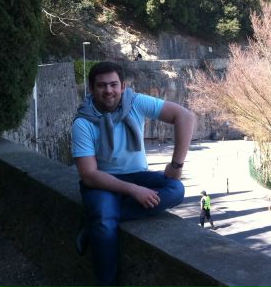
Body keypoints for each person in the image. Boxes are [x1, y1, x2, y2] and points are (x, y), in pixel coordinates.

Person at [72, 61, 195, 287]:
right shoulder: (83, 122)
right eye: (101, 85)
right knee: (105, 227)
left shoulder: (136, 102)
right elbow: (89, 175)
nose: (108, 90)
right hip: (101, 181)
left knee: (176, 189)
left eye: (113, 84)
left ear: (123, 86)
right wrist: (133, 190)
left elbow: (185, 117)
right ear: (91, 89)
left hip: (138, 174)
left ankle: (93, 224)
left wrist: (176, 165)